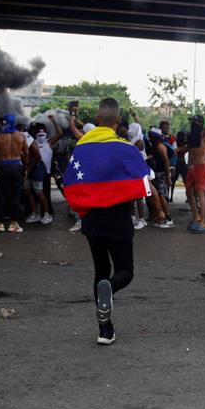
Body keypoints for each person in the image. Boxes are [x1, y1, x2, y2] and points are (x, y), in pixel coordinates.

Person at [62, 98, 151, 345]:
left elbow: (70, 181)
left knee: (101, 270)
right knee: (125, 271)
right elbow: (145, 184)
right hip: (119, 220)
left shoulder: (81, 148)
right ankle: (110, 289)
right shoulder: (127, 149)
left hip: (92, 220)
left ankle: (105, 329)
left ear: (98, 121)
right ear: (118, 121)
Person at [0, 114, 28, 233]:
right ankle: (14, 223)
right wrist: (25, 168)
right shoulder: (21, 136)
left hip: (3, 166)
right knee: (15, 196)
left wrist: (0, 162)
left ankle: (0, 223)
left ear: (5, 123)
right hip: (16, 166)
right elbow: (26, 153)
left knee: (2, 196)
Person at [185, 101, 205, 233]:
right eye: (192, 122)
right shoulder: (192, 137)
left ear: (199, 124)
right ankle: (196, 216)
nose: (193, 124)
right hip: (191, 167)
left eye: (195, 122)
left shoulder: (203, 134)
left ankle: (203, 220)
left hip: (201, 167)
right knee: (188, 192)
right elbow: (188, 149)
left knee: (200, 193)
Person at [25, 124, 56, 225]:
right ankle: (34, 214)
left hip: (40, 170)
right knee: (28, 191)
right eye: (39, 134)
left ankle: (46, 214)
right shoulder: (28, 140)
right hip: (29, 170)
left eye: (43, 134)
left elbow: (37, 157)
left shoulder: (31, 141)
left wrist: (28, 169)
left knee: (40, 192)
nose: (41, 136)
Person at [147, 127, 174, 226]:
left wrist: (168, 176)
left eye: (150, 136)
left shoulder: (159, 146)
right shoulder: (156, 146)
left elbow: (166, 160)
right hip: (159, 173)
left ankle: (168, 218)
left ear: (154, 137)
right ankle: (162, 218)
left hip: (161, 173)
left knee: (162, 196)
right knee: (159, 195)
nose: (149, 138)